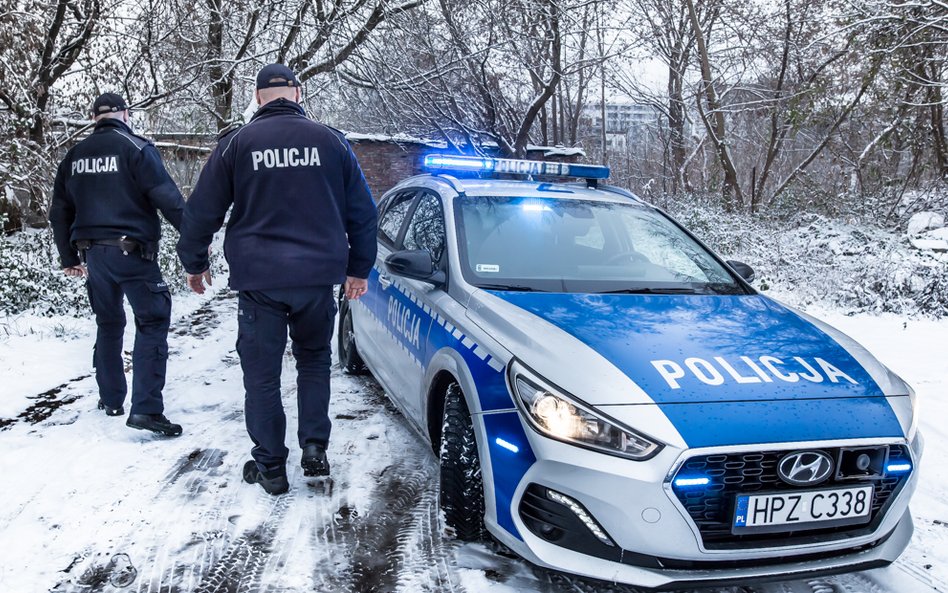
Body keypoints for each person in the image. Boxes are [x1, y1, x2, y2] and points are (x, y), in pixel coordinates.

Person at [177, 64, 378, 495]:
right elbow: (362, 212)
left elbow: (201, 211)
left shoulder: (237, 144)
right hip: (315, 280)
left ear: (257, 96)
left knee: (262, 375)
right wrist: (358, 269)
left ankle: (270, 466)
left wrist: (195, 263)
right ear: (298, 94)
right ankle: (314, 448)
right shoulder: (332, 142)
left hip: (260, 281)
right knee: (313, 361)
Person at [49, 92, 185, 437]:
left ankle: (111, 399)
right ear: (125, 114)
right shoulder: (136, 148)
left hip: (93, 256)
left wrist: (68, 257)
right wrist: (195, 239)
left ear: (94, 117)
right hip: (133, 254)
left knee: (109, 323)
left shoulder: (74, 155)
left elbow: (59, 211)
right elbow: (167, 198)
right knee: (152, 322)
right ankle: (147, 409)